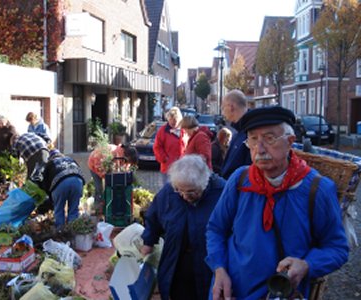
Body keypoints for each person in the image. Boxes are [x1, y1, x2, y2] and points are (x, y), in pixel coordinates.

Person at [206, 106, 349, 299]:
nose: (260, 149)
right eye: (253, 139)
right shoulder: (239, 180)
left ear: (290, 141)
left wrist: (307, 265)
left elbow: (337, 248)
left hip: (282, 293)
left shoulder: (318, 189)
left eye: (270, 138)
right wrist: (219, 269)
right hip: (231, 291)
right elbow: (215, 229)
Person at [141, 155, 226, 300]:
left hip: (209, 264)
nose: (185, 196)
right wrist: (148, 241)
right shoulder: (169, 191)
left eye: (191, 192)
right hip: (176, 260)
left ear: (204, 183)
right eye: (180, 191)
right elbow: (153, 217)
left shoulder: (221, 192)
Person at [36, 149, 85, 229]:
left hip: (61, 183)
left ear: (51, 157)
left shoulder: (50, 163)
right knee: (74, 209)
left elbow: (45, 183)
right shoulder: (71, 159)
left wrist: (50, 198)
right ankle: (73, 231)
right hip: (78, 181)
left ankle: (60, 232)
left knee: (59, 209)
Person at [220, 89, 252, 179]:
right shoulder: (239, 132)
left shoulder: (251, 133)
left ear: (231, 107)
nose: (222, 113)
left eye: (223, 108)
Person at [153, 106, 186, 183]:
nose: (173, 122)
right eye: (171, 119)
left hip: (182, 167)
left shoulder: (184, 131)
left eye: (175, 119)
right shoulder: (163, 131)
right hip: (168, 167)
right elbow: (157, 147)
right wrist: (164, 159)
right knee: (168, 190)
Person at [0, 115, 18, 184]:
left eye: (2, 122)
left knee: (7, 172)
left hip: (6, 154)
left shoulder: (10, 128)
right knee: (0, 172)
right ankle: (1, 186)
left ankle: (8, 187)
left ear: (6, 121)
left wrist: (11, 150)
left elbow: (15, 139)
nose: (1, 124)